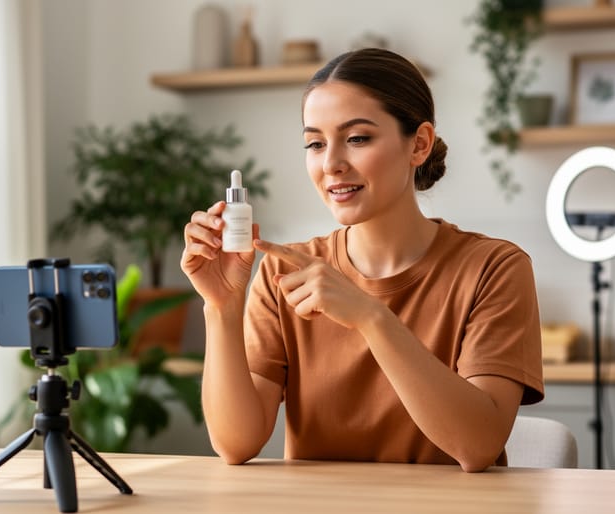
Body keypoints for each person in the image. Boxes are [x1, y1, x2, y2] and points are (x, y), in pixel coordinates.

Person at [180, 48, 544, 472]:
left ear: (419, 144)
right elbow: (235, 444)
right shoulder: (285, 272)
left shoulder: (494, 268)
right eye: (315, 143)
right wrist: (221, 308)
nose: (331, 164)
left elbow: (478, 445)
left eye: (357, 139)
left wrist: (371, 318)